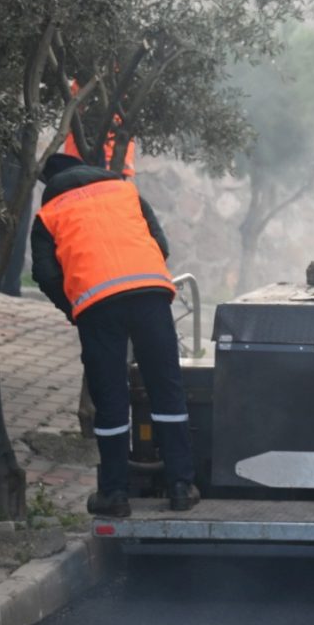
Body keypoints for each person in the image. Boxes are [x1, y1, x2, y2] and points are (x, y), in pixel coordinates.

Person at [31, 149, 194, 517]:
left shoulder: (49, 214)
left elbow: (45, 274)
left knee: (111, 400)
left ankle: (114, 494)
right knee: (166, 388)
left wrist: (74, 308)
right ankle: (182, 486)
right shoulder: (126, 192)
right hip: (151, 294)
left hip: (97, 305)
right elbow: (160, 245)